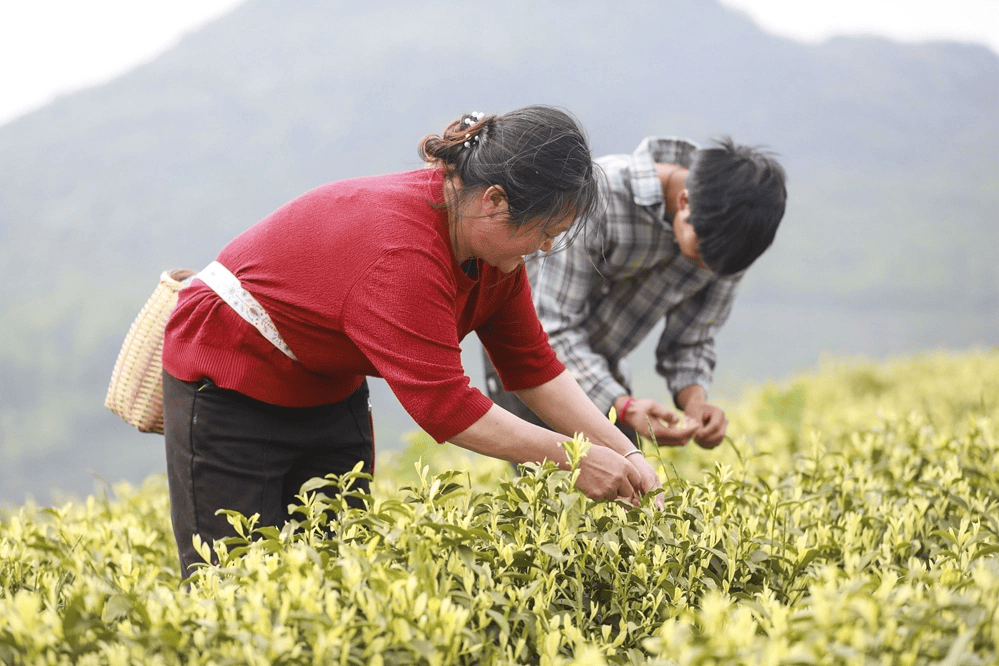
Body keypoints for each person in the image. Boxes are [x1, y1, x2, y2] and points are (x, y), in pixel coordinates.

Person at [161, 106, 662, 577]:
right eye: (546, 230)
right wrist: (572, 458)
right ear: (494, 201)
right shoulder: (403, 252)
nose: (547, 246)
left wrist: (627, 454)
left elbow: (533, 367)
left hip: (328, 386)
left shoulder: (494, 254)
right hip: (231, 377)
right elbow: (446, 407)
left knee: (336, 569)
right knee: (234, 577)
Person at [485, 136, 787, 450]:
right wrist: (625, 407)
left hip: (602, 373)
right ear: (685, 202)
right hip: (527, 358)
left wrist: (696, 403)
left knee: (628, 473)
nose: (708, 268)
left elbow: (691, 339)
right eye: (701, 255)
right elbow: (553, 326)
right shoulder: (601, 197)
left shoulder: (731, 242)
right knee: (556, 472)